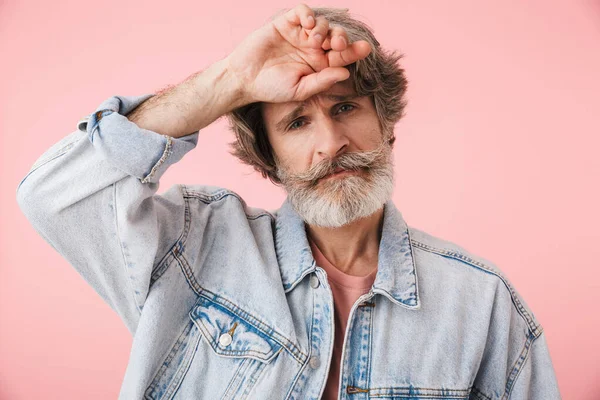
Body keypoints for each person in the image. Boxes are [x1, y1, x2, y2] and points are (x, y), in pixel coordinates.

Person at [16, 4, 561, 399]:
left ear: (386, 125)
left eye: (346, 108)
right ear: (269, 159)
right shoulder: (192, 247)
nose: (331, 143)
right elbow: (53, 197)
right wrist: (229, 81)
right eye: (297, 122)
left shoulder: (482, 304)